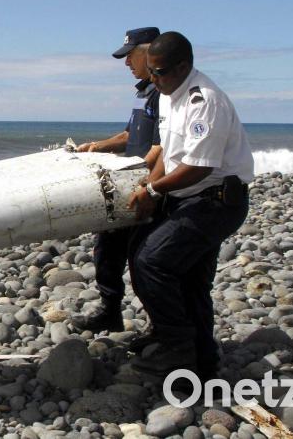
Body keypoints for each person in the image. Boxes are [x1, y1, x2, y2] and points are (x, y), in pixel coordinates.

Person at [127, 32, 253, 379]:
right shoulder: (169, 93)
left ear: (184, 66)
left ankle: (176, 345)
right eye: (151, 72)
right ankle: (201, 365)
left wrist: (152, 191)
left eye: (161, 72)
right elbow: (170, 152)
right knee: (186, 279)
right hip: (189, 197)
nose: (154, 80)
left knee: (153, 261)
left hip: (215, 201)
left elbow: (199, 165)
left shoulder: (204, 101)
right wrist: (150, 182)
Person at [70, 27, 163, 333]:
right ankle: (110, 310)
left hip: (148, 187)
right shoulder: (142, 93)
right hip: (129, 183)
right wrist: (96, 146)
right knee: (106, 249)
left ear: (150, 53)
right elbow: (128, 136)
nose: (126, 64)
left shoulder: (164, 94)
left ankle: (159, 325)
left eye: (130, 56)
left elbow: (162, 148)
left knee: (143, 260)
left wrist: (145, 185)